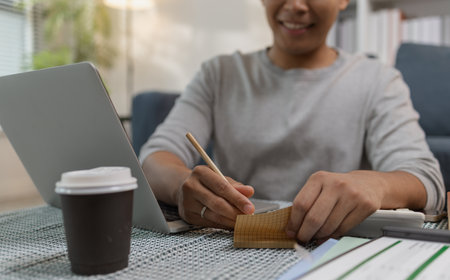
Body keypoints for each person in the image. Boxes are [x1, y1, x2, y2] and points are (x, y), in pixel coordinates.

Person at [139, 0, 445, 243]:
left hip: (335, 248)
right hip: (229, 245)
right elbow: (153, 159)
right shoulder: (219, 74)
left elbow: (426, 179)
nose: (296, 5)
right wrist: (182, 186)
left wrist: (374, 184)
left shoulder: (377, 80)